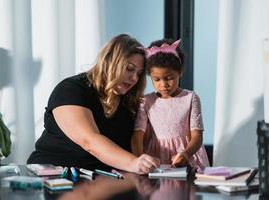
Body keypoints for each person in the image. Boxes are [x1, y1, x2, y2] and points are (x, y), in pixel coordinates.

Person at [27, 34, 160, 174]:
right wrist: (134, 163)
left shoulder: (128, 101)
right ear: (110, 62)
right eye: (129, 69)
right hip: (54, 176)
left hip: (102, 179)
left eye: (139, 74)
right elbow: (89, 141)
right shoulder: (71, 89)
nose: (134, 79)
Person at [131, 38, 209, 170]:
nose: (163, 85)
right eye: (156, 79)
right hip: (156, 161)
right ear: (150, 76)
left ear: (180, 72)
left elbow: (197, 136)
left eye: (169, 78)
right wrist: (139, 161)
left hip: (187, 159)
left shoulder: (191, 98)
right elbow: (137, 136)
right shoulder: (146, 101)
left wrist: (186, 154)